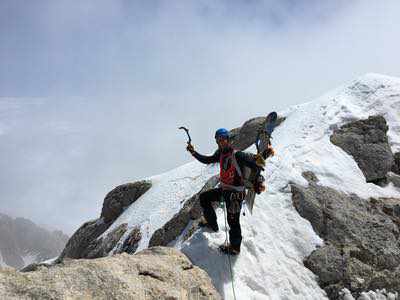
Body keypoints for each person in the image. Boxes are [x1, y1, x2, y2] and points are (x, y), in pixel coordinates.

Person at [186, 128, 268, 255]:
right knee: (204, 198)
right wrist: (193, 152)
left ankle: (235, 247)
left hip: (235, 194)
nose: (221, 142)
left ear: (228, 139)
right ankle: (212, 223)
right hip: (226, 190)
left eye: (223, 139)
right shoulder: (221, 154)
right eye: (218, 140)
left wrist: (259, 178)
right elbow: (207, 160)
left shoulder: (238, 155)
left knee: (233, 221)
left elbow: (257, 166)